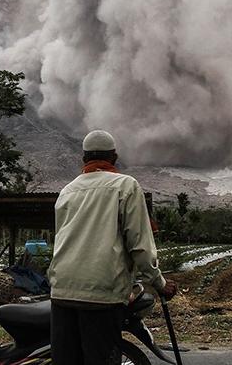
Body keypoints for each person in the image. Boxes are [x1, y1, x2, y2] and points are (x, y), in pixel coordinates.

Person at [48, 129, 177, 365]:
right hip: (101, 293)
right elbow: (140, 245)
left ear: (84, 159)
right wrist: (160, 283)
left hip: (61, 290)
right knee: (101, 358)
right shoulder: (125, 186)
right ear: (114, 158)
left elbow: (60, 239)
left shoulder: (67, 191)